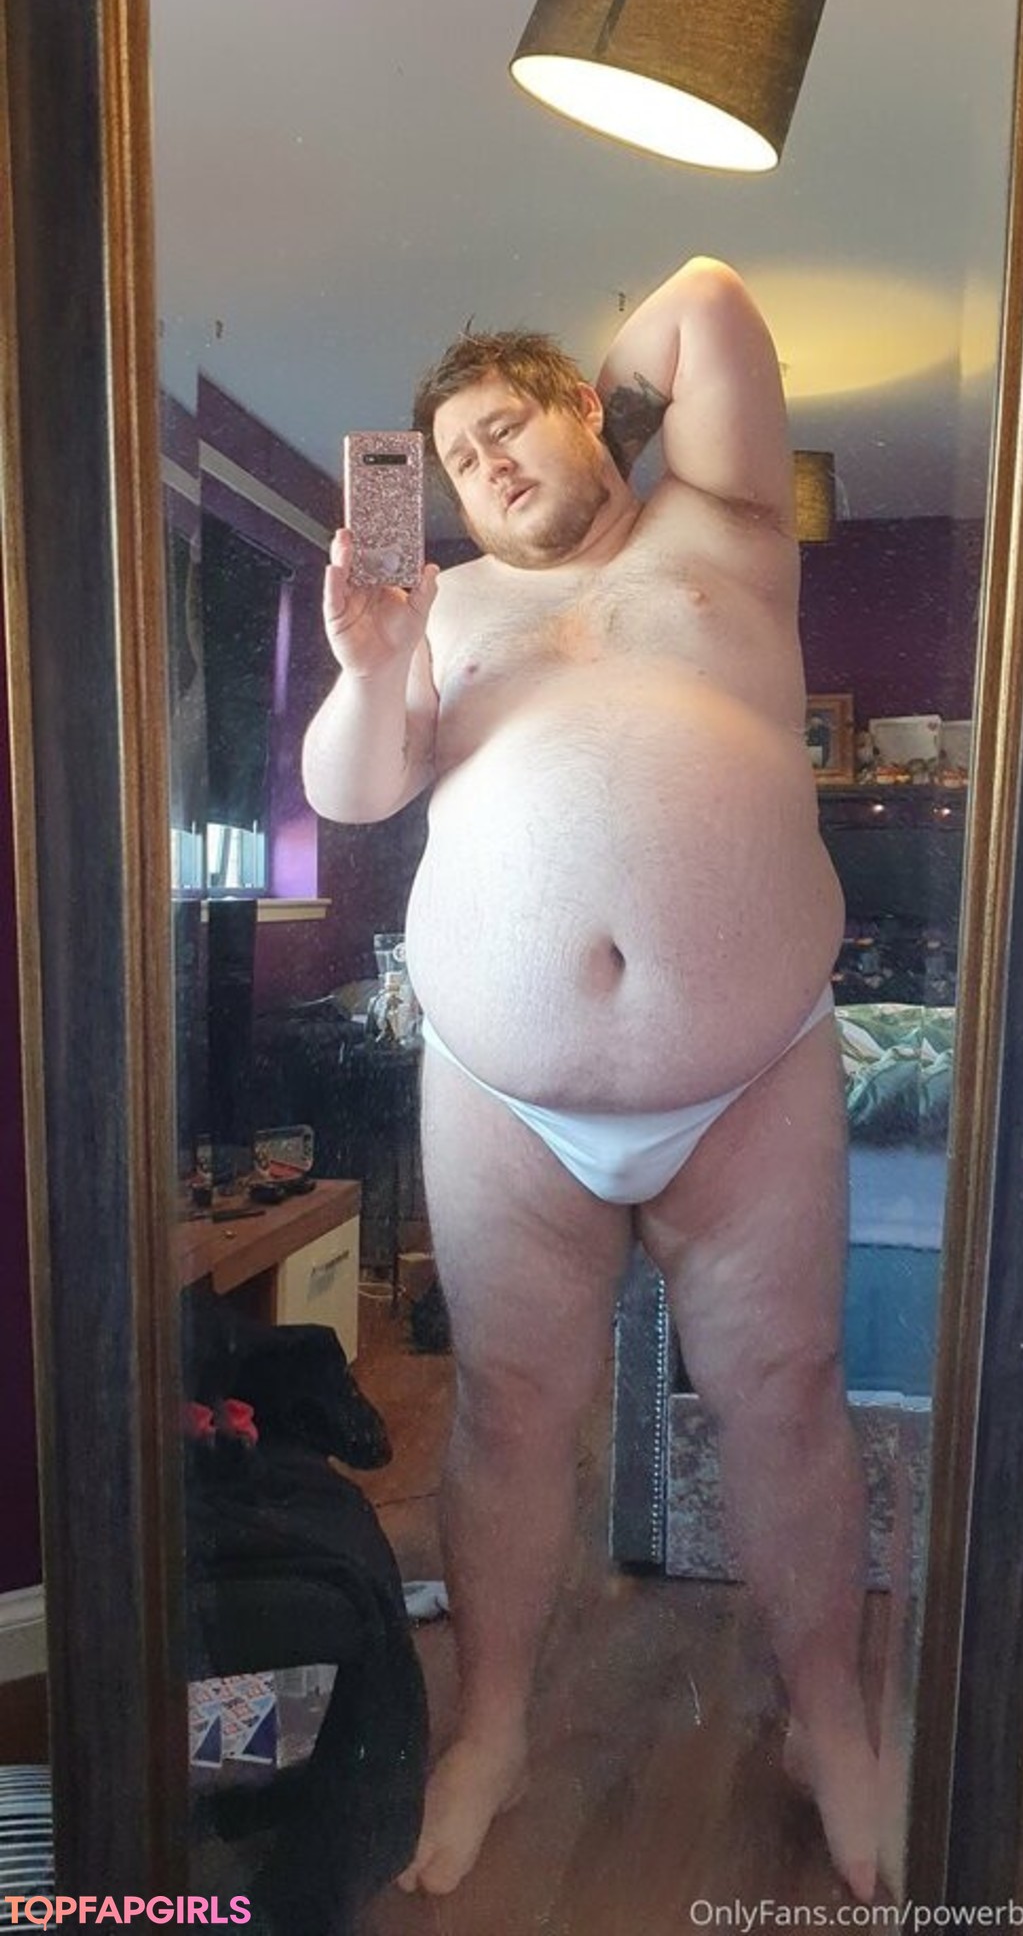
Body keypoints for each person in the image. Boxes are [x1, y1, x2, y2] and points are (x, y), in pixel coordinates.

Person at [301, 258, 878, 1903]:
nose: (480, 464)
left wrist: (574, 416)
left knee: (786, 1393)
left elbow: (709, 297)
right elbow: (350, 795)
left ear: (583, 407)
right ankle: (489, 1729)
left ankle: (832, 1725)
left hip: (747, 1072)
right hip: (506, 1093)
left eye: (503, 425)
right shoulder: (443, 609)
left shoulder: (727, 530)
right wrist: (371, 662)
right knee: (505, 1408)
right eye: (452, 456)